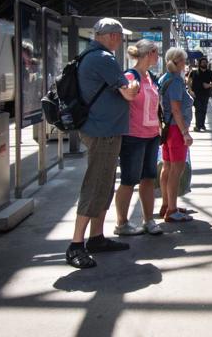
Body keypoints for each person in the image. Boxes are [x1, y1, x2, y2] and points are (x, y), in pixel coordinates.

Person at [66, 18, 140, 269]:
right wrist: (135, 83)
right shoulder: (104, 59)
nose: (119, 41)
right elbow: (128, 93)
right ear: (110, 36)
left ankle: (96, 237)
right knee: (96, 184)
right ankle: (76, 245)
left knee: (105, 184)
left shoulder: (89, 55)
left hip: (101, 129)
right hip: (103, 132)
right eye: (118, 36)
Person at [113, 39, 164, 237]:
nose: (158, 57)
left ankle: (148, 220)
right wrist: (129, 89)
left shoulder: (150, 77)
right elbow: (125, 97)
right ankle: (122, 223)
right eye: (156, 53)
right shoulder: (130, 76)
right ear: (149, 53)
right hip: (133, 136)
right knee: (129, 180)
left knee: (148, 178)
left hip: (152, 135)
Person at [160, 47, 195, 223]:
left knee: (167, 168)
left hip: (168, 129)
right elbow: (176, 109)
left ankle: (167, 205)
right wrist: (185, 133)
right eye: (183, 60)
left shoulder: (164, 78)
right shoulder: (175, 81)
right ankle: (172, 211)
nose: (185, 63)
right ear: (178, 62)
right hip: (176, 130)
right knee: (176, 170)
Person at [187, 58, 212, 131]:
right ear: (199, 64)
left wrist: (209, 85)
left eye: (205, 63)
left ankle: (202, 125)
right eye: (203, 62)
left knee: (204, 110)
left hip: (205, 94)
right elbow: (189, 81)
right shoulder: (193, 72)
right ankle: (198, 126)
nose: (204, 64)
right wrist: (190, 90)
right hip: (196, 94)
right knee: (198, 109)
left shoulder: (210, 72)